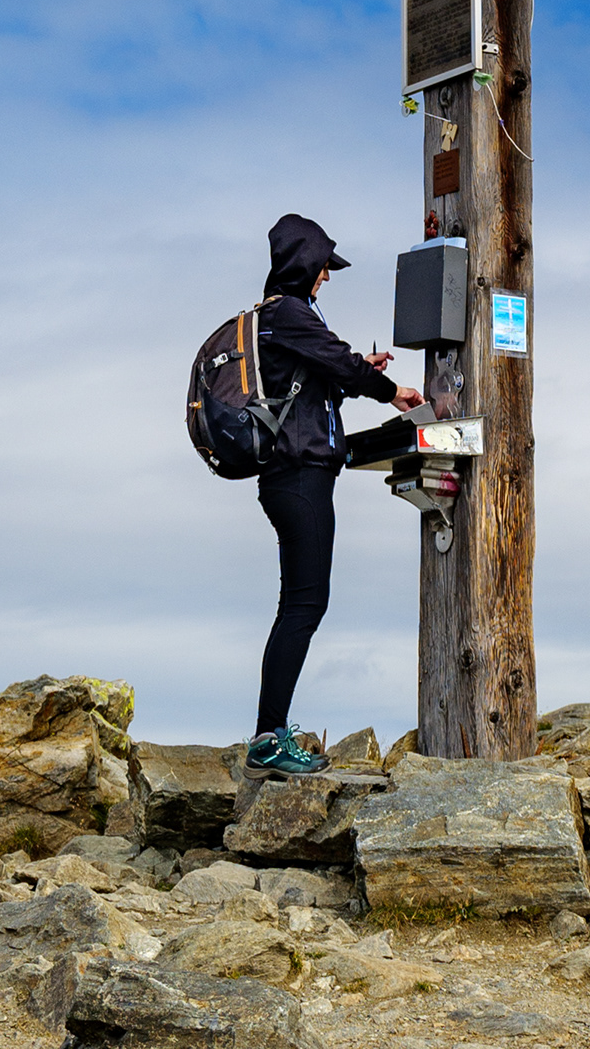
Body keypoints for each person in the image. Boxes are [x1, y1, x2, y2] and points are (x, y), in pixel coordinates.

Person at [245, 213, 423, 779]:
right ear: (305, 264)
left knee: (300, 602)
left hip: (291, 476)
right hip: (299, 476)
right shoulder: (291, 313)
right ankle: (268, 739)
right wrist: (392, 390)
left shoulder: (276, 319)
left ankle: (270, 732)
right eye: (324, 267)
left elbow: (326, 372)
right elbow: (336, 359)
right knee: (304, 604)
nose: (327, 277)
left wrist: (355, 373)